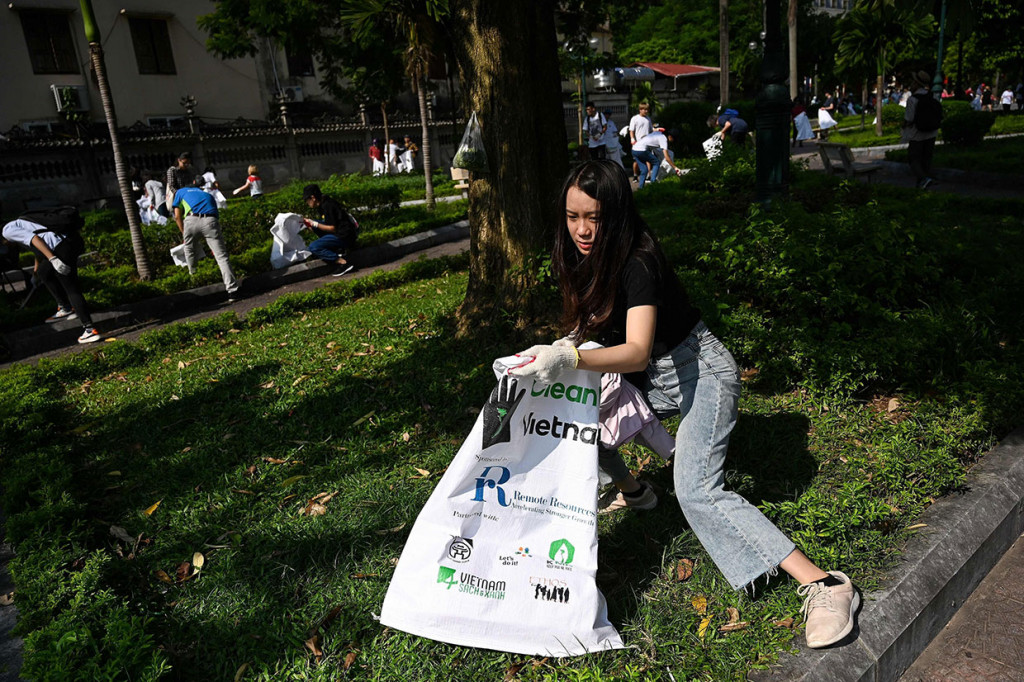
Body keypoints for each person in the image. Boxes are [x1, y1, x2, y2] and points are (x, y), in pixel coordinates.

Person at [508, 160, 860, 650]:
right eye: (572, 217)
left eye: (595, 217)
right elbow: (604, 332)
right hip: (650, 378)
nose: (583, 230)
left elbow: (633, 348)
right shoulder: (583, 256)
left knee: (695, 489)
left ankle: (825, 585)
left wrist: (569, 356)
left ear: (619, 213)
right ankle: (636, 493)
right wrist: (560, 348)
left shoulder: (639, 260)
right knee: (580, 420)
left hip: (700, 373)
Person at [2, 210, 101, 343]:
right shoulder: (19, 223)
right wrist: (36, 274)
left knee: (71, 287)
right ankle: (65, 307)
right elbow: (38, 250)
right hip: (72, 240)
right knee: (44, 272)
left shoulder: (7, 231)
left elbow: (35, 239)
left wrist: (53, 259)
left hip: (61, 247)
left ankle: (90, 330)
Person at [173, 175, 241, 301]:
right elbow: (216, 216)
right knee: (221, 257)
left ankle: (193, 277)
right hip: (211, 220)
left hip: (191, 220)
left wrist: (184, 233)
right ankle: (232, 291)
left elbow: (177, 216)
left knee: (189, 249)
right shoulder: (208, 195)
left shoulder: (180, 192)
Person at [301, 184, 357, 277]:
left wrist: (314, 224)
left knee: (313, 247)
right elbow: (325, 224)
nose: (307, 203)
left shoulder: (328, 206)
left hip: (344, 235)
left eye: (307, 200)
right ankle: (336, 249)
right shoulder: (323, 204)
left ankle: (343, 263)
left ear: (313, 198)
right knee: (315, 224)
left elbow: (332, 228)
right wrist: (309, 224)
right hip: (341, 232)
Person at [903, 70, 940, 189]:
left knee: (913, 158)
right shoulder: (933, 96)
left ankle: (924, 179)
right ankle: (923, 183)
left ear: (916, 83)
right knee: (926, 159)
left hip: (917, 133)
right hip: (932, 132)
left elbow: (909, 118)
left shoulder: (913, 99)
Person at [628, 102, 654, 181]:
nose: (646, 111)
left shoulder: (648, 119)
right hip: (638, 144)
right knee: (636, 160)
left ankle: (649, 175)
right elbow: (631, 130)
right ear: (640, 110)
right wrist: (632, 139)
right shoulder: (635, 118)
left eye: (647, 110)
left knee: (648, 159)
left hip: (647, 143)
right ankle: (635, 175)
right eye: (644, 110)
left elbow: (651, 130)